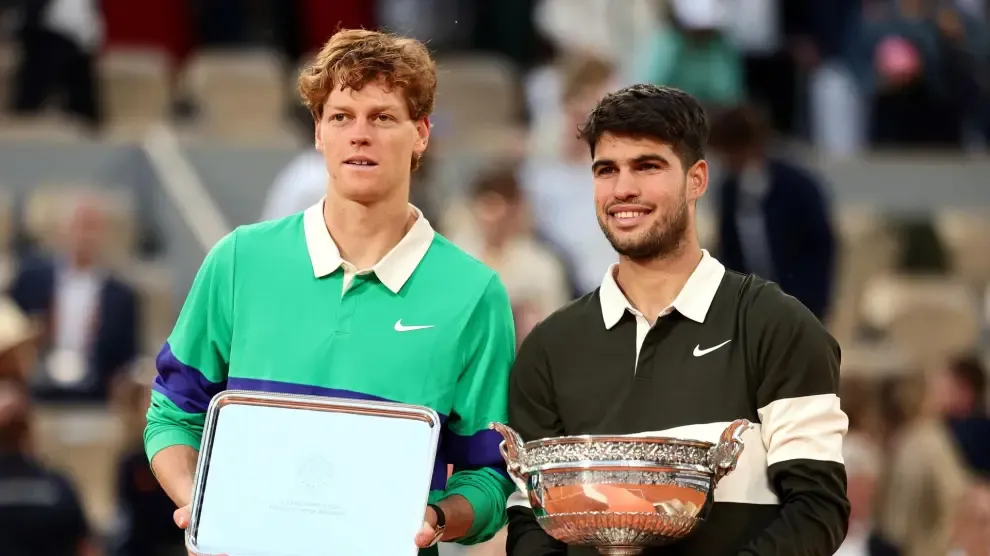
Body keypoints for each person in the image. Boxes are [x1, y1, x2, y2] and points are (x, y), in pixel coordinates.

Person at [144, 29, 517, 554]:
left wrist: (436, 517)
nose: (359, 134)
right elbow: (172, 413)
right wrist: (200, 508)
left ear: (422, 134)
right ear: (319, 132)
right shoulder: (238, 260)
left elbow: (488, 473)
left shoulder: (474, 294)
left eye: (383, 117)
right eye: (341, 116)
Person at [505, 84, 850, 556]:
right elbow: (531, 520)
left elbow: (817, 509)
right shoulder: (549, 348)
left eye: (648, 166)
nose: (623, 188)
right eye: (607, 170)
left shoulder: (779, 326)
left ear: (697, 179)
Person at [707, 104, 836, 321]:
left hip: (798, 307)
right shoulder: (729, 191)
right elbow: (729, 248)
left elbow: (819, 248)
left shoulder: (798, 187)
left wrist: (809, 303)